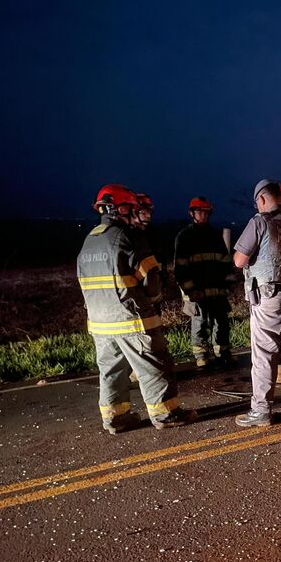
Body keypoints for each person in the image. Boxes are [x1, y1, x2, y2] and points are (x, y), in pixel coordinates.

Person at [77, 184, 197, 434]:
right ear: (119, 208)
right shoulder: (128, 237)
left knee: (111, 372)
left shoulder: (90, 240)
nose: (134, 213)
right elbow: (151, 281)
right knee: (153, 365)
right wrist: (152, 301)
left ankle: (115, 419)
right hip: (131, 319)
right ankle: (165, 413)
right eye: (130, 208)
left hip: (100, 323)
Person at [233, 180, 281, 427]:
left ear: (263, 199)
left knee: (265, 355)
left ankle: (261, 411)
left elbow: (238, 260)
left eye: (257, 202)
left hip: (269, 299)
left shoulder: (259, 222)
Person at [173, 196, 233, 367]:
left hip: (217, 288)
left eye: (206, 212)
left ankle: (223, 352)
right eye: (200, 212)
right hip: (197, 289)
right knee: (199, 322)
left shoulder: (215, 235)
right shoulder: (184, 237)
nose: (203, 216)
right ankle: (201, 355)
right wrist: (190, 290)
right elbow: (181, 268)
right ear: (192, 213)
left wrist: (229, 281)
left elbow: (224, 260)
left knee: (221, 322)